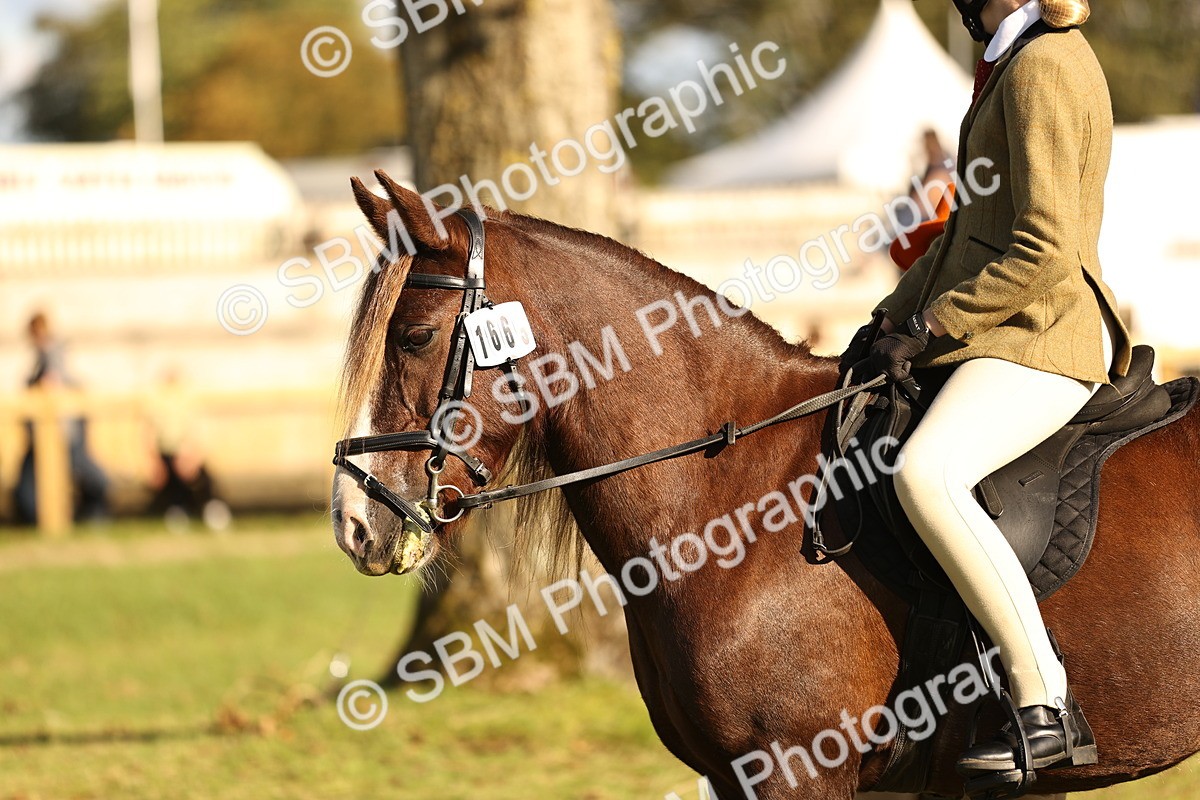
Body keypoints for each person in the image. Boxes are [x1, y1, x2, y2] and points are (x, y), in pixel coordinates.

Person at [846, 0, 1129, 782]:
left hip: (1047, 330)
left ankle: (1044, 706)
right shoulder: (1013, 61)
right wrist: (886, 322)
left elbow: (1043, 243)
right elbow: (970, 231)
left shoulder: (1042, 64)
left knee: (925, 475)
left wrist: (937, 325)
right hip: (1011, 325)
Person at [14, 312, 110, 524]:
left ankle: (94, 516)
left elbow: (56, 385)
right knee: (28, 491)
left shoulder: (52, 354)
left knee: (92, 478)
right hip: (51, 434)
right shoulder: (45, 356)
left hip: (63, 432)